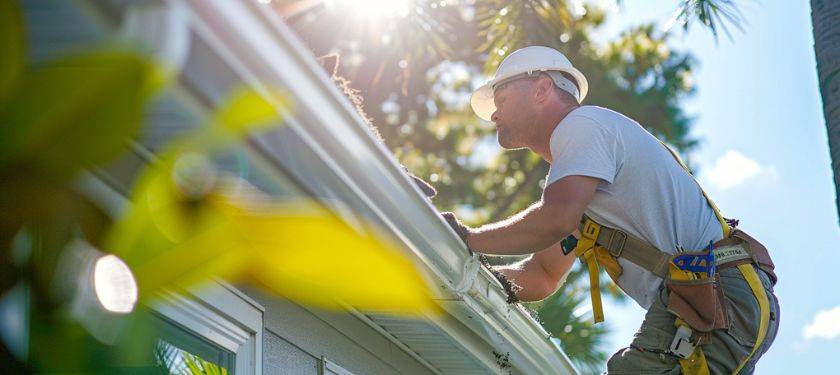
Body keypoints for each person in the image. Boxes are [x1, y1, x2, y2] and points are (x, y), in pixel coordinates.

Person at [442, 46, 779, 374]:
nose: (495, 115)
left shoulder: (582, 126)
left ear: (542, 88)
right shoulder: (580, 178)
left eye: (502, 100)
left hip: (716, 296)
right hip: (715, 303)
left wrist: (467, 239)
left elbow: (554, 220)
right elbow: (542, 276)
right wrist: (452, 272)